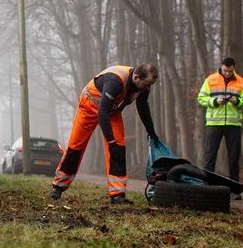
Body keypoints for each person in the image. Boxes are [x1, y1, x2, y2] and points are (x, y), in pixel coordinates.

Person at [49, 64, 160, 204]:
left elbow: (143, 107)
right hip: (89, 105)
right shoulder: (116, 81)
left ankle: (117, 194)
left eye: (150, 85)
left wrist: (151, 132)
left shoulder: (143, 84)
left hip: (111, 110)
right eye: (146, 84)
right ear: (136, 77)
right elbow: (102, 113)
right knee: (76, 146)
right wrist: (110, 140)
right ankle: (58, 187)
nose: (147, 88)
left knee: (118, 148)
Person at [197, 57, 243, 199]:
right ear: (221, 67)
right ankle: (206, 188)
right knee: (210, 156)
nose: (227, 73)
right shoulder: (210, 79)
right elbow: (201, 98)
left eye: (230, 71)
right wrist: (215, 101)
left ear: (234, 68)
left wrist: (237, 101)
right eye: (225, 70)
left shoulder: (241, 82)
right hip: (214, 124)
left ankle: (234, 190)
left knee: (234, 158)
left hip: (233, 124)